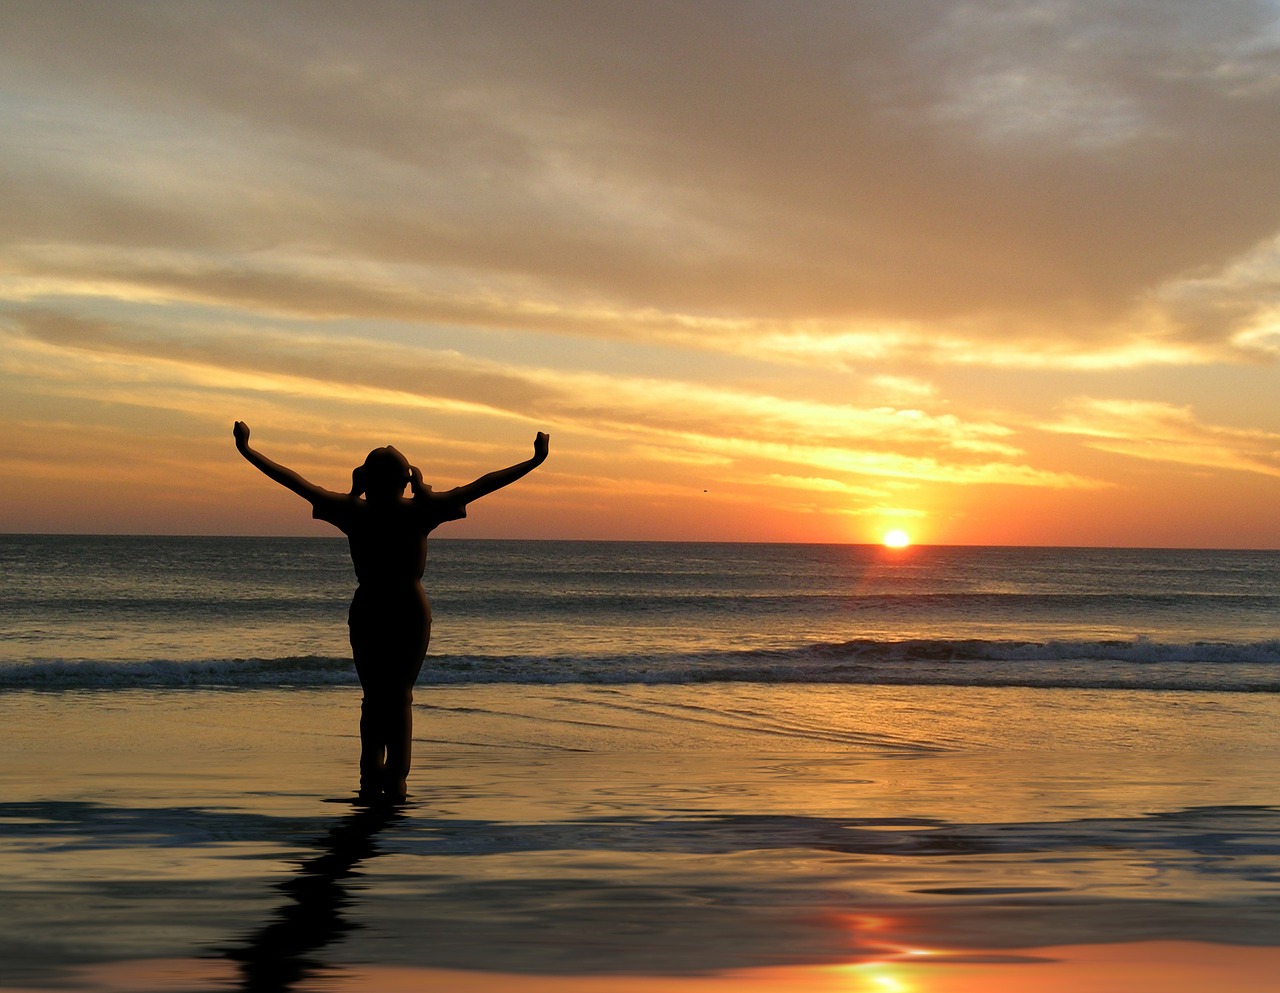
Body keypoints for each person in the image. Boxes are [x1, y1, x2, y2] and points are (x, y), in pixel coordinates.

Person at [233, 421, 549, 803]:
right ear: (407, 481)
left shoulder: (355, 511)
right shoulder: (418, 510)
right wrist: (534, 460)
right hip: (403, 610)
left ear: (366, 480)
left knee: (377, 697)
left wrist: (248, 451)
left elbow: (295, 482)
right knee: (398, 697)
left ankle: (376, 776)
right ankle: (392, 779)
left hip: (376, 608)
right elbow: (482, 485)